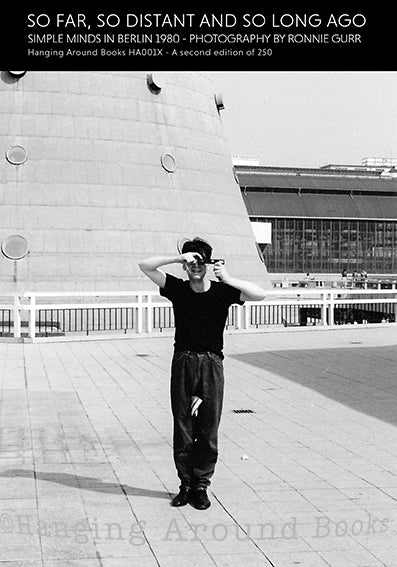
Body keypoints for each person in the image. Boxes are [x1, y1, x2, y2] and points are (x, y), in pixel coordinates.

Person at [139, 237, 266, 510]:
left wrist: (228, 277)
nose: (195, 267)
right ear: (186, 267)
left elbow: (259, 294)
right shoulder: (178, 289)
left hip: (211, 363)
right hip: (183, 360)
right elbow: (145, 266)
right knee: (183, 425)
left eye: (200, 262)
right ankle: (185, 484)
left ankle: (200, 486)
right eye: (191, 262)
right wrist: (176, 259)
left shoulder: (222, 291)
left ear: (207, 265)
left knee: (209, 427)